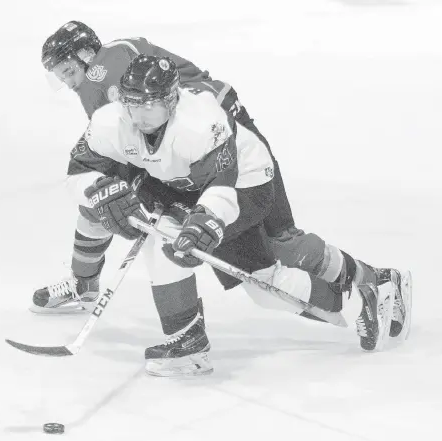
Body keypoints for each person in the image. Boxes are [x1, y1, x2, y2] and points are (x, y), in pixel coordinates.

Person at [54, 54, 411, 376]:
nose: (139, 117)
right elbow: (77, 171)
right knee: (172, 242)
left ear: (171, 100)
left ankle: (364, 291)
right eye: (131, 105)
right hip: (180, 184)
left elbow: (222, 187)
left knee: (267, 275)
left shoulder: (202, 122)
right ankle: (186, 342)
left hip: (247, 183)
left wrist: (207, 220)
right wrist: (97, 189)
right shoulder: (108, 122)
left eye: (149, 107)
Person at [33, 20, 301, 315]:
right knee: (103, 198)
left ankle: (342, 283)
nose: (70, 84)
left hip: (222, 138)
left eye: (69, 72)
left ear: (86, 54)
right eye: (61, 77)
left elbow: (139, 133)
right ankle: (83, 281)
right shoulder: (112, 58)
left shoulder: (101, 74)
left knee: (279, 238)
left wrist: (142, 185)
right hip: (197, 143)